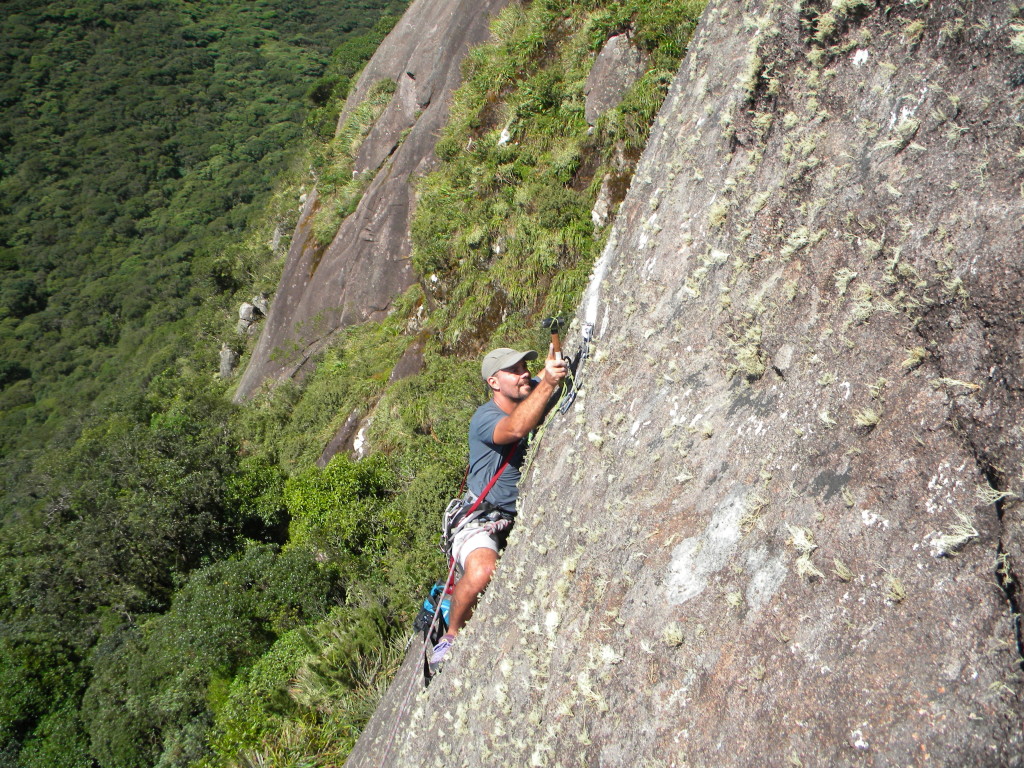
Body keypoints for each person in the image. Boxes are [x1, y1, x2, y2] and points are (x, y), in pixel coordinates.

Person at [429, 344, 567, 671]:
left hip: (512, 513)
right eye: (514, 371)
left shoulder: (525, 390)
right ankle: (451, 634)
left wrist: (553, 362)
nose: (523, 375)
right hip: (481, 517)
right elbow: (515, 428)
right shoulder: (485, 418)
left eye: (524, 368)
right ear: (494, 383)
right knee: (482, 570)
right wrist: (548, 381)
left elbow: (539, 379)